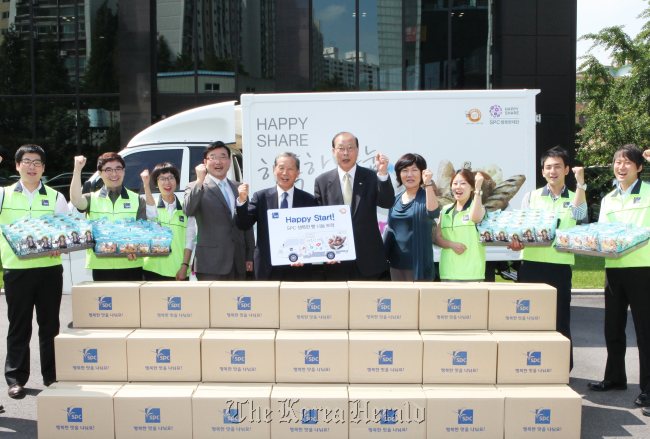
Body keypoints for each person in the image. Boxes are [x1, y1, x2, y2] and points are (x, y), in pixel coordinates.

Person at [509, 146, 587, 370]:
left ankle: (562, 368)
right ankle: (528, 366)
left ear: (566, 170)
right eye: (548, 167)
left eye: (557, 167)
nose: (553, 171)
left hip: (560, 267)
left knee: (560, 319)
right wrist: (517, 242)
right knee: (528, 319)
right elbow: (521, 228)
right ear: (542, 171)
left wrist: (580, 183)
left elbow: (580, 216)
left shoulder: (575, 197)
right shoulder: (531, 197)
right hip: (531, 265)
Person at [0, 144, 68, 399]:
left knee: (50, 325)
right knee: (19, 326)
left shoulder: (55, 197)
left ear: (44, 168)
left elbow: (65, 231)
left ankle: (52, 376)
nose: (32, 166)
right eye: (26, 161)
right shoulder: (3, 195)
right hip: (16, 269)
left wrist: (60, 245)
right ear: (17, 166)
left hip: (49, 270)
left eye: (37, 162)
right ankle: (16, 378)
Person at [588, 144, 650, 414]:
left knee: (645, 331)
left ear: (639, 167)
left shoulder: (649, 192)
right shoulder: (609, 198)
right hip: (613, 267)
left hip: (643, 268)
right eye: (617, 162)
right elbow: (603, 232)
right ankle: (615, 377)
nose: (621, 167)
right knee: (612, 327)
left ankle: (648, 390)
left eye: (627, 162)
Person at [314, 131, 395, 280]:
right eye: (341, 148)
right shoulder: (322, 181)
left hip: (368, 259)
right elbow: (320, 221)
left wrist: (383, 174)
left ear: (357, 151)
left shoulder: (372, 177)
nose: (346, 153)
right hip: (336, 258)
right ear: (333, 151)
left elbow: (387, 202)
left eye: (350, 148)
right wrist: (325, 249)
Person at [235, 152, 318, 280]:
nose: (285, 173)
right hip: (267, 267)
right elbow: (243, 224)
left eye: (290, 169)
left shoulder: (309, 200)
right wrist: (241, 201)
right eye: (281, 168)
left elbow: (314, 234)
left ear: (298, 173)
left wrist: (306, 254)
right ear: (274, 170)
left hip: (298, 267)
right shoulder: (261, 197)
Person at [70, 153, 147, 281]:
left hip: (130, 264)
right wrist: (77, 169)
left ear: (124, 171)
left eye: (118, 169)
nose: (114, 174)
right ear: (100, 173)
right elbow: (76, 200)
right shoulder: (92, 198)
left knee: (129, 302)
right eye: (108, 170)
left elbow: (142, 230)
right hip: (101, 265)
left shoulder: (137, 199)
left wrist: (137, 248)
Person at [184, 141, 254, 280]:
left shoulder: (238, 187)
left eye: (223, 156)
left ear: (229, 161)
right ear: (205, 162)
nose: (218, 161)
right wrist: (199, 180)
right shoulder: (195, 186)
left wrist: (249, 256)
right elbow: (188, 210)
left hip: (238, 261)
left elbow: (246, 224)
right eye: (213, 157)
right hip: (211, 263)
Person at [383, 153, 439, 281]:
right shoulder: (395, 199)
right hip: (396, 265)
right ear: (399, 175)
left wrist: (428, 184)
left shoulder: (426, 197)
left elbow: (433, 212)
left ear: (422, 173)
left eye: (414, 170)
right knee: (399, 300)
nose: (409, 175)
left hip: (419, 266)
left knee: (420, 301)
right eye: (405, 170)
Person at [140, 163, 196, 281]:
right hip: (152, 270)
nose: (167, 182)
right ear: (156, 182)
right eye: (162, 179)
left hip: (179, 271)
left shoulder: (186, 206)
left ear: (176, 180)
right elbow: (151, 215)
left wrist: (184, 266)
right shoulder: (151, 204)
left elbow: (189, 240)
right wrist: (146, 185)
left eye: (171, 178)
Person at [434, 169, 486, 281]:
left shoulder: (478, 208)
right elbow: (437, 237)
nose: (458, 187)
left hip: (472, 275)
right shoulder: (445, 210)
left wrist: (478, 190)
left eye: (463, 183)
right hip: (447, 273)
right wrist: (451, 244)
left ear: (471, 187)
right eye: (455, 183)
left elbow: (476, 218)